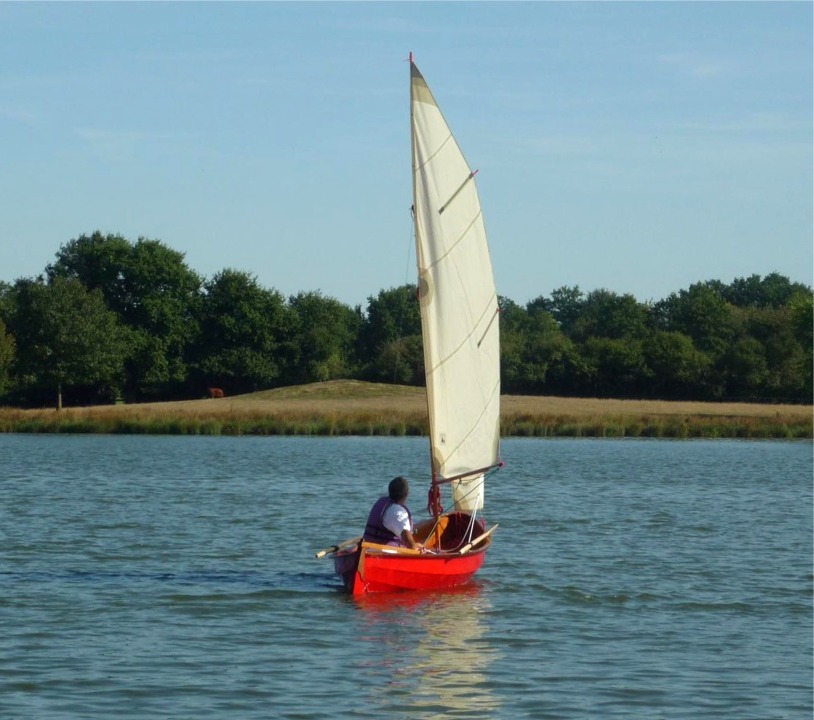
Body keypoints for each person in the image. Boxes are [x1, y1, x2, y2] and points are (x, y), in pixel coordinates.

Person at [363, 476, 423, 550]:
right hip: (381, 553)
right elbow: (406, 536)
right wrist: (414, 547)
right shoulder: (398, 511)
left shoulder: (381, 502)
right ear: (406, 494)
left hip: (367, 548)